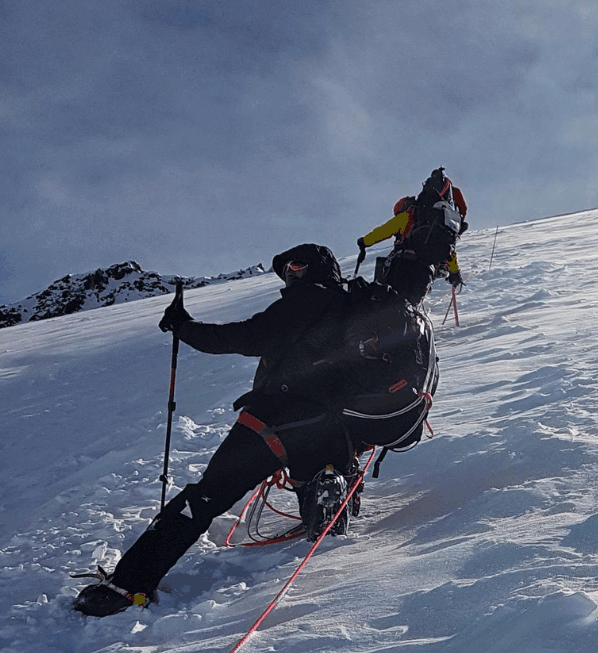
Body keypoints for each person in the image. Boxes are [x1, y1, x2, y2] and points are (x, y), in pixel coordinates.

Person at [73, 243, 437, 617]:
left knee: (206, 497)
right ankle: (327, 491)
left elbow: (247, 336)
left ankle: (127, 585)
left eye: (297, 266)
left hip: (274, 418)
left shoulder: (309, 298)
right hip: (333, 426)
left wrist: (184, 327)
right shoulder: (358, 305)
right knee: (313, 474)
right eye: (287, 269)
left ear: (316, 269)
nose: (290, 274)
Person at [357, 167, 468, 304]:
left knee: (387, 302)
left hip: (401, 264)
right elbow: (449, 251)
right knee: (409, 306)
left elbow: (383, 231)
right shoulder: (438, 223)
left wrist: (364, 242)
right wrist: (455, 273)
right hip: (425, 270)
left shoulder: (408, 215)